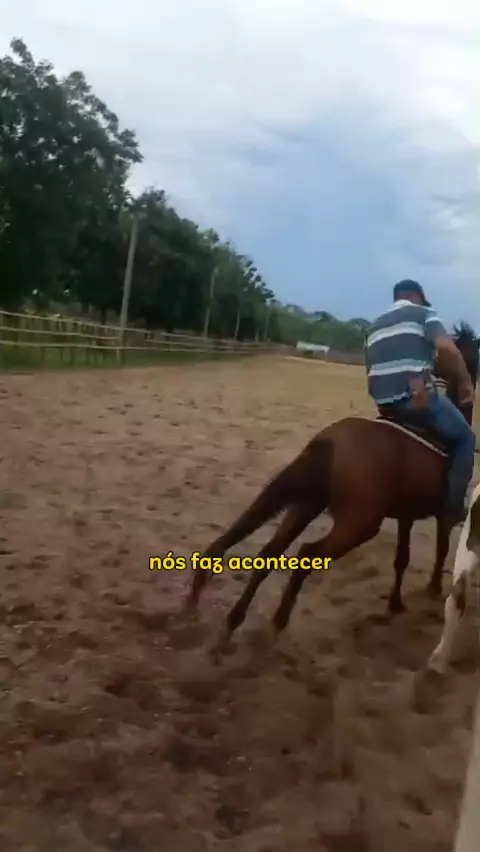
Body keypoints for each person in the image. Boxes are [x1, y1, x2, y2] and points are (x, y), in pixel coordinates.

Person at [365, 279, 476, 525]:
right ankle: (454, 506)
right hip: (415, 401)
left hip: (384, 405)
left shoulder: (374, 326)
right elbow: (446, 348)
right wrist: (465, 381)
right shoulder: (423, 313)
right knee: (467, 439)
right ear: (416, 296)